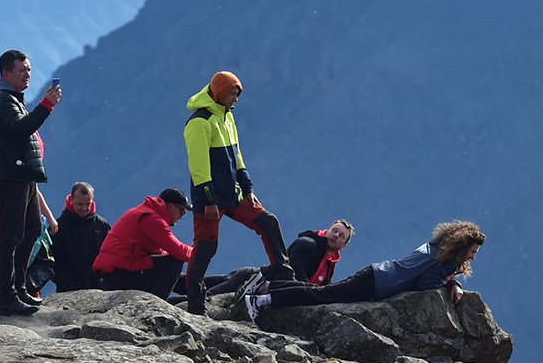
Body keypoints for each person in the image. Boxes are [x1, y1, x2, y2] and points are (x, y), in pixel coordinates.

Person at [182, 71, 294, 315]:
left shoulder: (227, 118)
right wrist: (209, 200)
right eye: (233, 94)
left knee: (268, 222)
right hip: (210, 199)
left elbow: (237, 156)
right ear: (221, 93)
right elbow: (199, 168)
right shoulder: (199, 122)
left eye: (237, 94)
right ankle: (195, 302)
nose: (236, 99)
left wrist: (248, 189)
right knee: (205, 248)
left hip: (235, 194)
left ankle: (284, 278)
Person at [244, 220, 486, 326]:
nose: (473, 256)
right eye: (472, 251)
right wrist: (449, 283)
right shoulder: (449, 261)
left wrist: (453, 282)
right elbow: (425, 283)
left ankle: (268, 288)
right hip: (377, 285)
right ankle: (263, 299)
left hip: (376, 273)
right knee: (320, 296)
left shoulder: (438, 245)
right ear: (462, 247)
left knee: (322, 293)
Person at [0, 49, 62, 316]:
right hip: (9, 175)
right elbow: (18, 129)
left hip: (22, 174)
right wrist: (46, 106)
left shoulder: (12, 98)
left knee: (32, 229)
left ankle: (19, 287)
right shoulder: (1, 99)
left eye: (29, 70)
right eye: (21, 71)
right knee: (10, 235)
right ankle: (7, 298)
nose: (27, 75)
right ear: (6, 73)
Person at [172, 219, 355, 304]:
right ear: (327, 230)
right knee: (204, 298)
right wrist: (311, 294)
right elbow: (295, 271)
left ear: (344, 245)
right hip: (253, 279)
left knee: (196, 285)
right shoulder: (307, 245)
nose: (336, 235)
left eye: (341, 236)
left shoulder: (329, 262)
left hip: (252, 275)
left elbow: (323, 285)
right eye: (334, 230)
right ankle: (163, 296)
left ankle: (162, 281)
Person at [92, 188, 194, 300]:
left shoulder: (146, 213)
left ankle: (208, 288)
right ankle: (157, 304)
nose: (181, 216)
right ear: (171, 207)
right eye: (182, 211)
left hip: (116, 274)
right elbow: (178, 251)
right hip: (116, 276)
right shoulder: (150, 218)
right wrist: (199, 253)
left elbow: (162, 256)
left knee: (173, 271)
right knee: (174, 262)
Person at [50, 182, 111, 292]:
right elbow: (51, 258)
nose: (83, 208)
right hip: (68, 290)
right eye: (79, 204)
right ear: (71, 200)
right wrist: (63, 280)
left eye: (87, 204)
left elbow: (110, 253)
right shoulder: (60, 226)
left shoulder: (101, 225)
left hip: (99, 289)